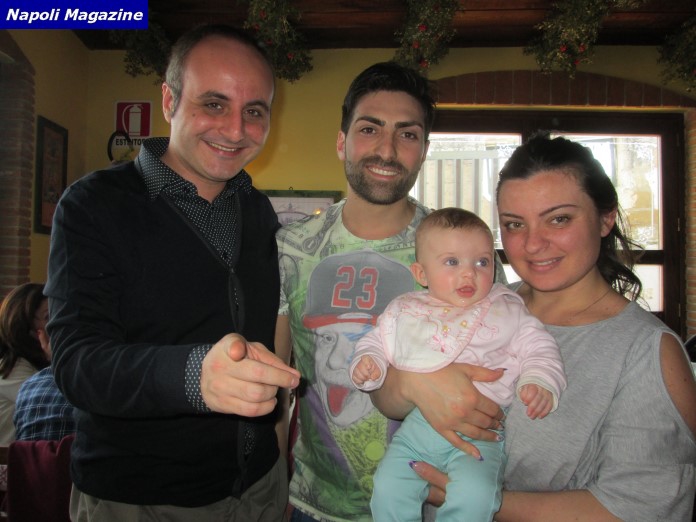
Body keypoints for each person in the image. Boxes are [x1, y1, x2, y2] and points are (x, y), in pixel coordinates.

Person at [45, 24, 300, 521]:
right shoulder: (93, 205)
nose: (235, 130)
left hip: (260, 490)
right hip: (139, 499)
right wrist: (192, 375)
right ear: (169, 100)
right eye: (214, 103)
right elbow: (77, 362)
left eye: (254, 111)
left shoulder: (257, 210)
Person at [381, 134, 696, 521]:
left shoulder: (648, 352)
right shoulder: (483, 301)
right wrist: (409, 383)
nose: (532, 244)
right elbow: (384, 393)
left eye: (559, 219)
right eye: (515, 224)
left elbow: (643, 508)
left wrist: (477, 499)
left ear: (605, 218)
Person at [275, 62, 506, 522]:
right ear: (341, 141)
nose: (387, 149)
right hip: (314, 507)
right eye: (370, 129)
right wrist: (278, 489)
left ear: (424, 151)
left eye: (407, 134)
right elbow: (277, 388)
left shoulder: (464, 253)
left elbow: (499, 372)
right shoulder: (291, 247)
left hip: (434, 507)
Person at [350, 208, 566, 521]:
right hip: (417, 431)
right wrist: (369, 363)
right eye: (452, 262)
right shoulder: (408, 310)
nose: (469, 273)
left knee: (476, 495)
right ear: (421, 274)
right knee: (387, 486)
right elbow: (378, 341)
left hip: (480, 434)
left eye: (482, 262)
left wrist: (540, 379)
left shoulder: (506, 309)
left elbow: (539, 346)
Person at [0, 283, 51, 444]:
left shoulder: (37, 361)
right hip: (9, 458)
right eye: (48, 317)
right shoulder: (12, 369)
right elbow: (54, 404)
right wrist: (56, 359)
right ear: (26, 328)